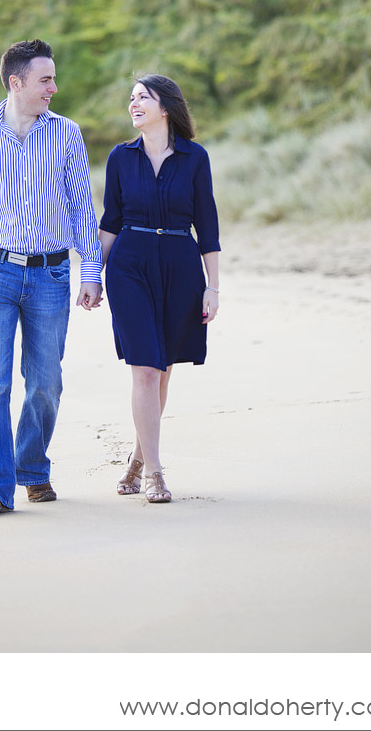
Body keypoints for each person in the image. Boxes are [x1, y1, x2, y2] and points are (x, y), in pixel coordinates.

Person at [0, 39, 103, 517]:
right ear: (16, 82)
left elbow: (80, 208)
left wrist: (90, 270)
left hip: (52, 273)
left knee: (46, 382)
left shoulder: (67, 133)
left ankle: (32, 468)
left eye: (53, 78)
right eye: (45, 79)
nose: (55, 87)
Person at [98, 75, 220, 503]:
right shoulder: (120, 157)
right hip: (129, 266)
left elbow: (207, 226)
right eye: (130, 98)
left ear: (164, 107)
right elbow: (111, 222)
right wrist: (94, 276)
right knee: (145, 367)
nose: (133, 104)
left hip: (180, 267)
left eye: (142, 98)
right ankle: (155, 473)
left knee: (164, 367)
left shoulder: (194, 158)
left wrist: (213, 287)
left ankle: (135, 459)